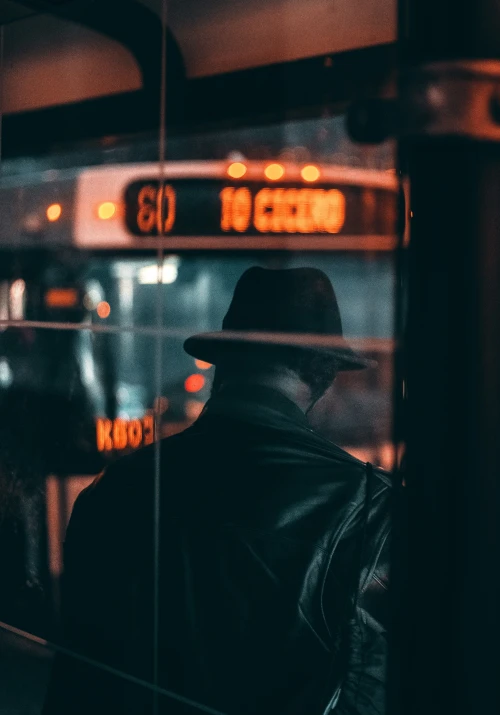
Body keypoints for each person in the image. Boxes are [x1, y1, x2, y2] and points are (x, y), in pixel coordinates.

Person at [43, 267, 392, 715]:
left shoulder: (115, 489)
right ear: (325, 375)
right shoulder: (369, 509)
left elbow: (78, 687)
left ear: (221, 363)